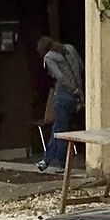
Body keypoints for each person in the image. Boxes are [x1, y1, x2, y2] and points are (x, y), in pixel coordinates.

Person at [35, 33, 83, 173]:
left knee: (60, 131)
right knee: (59, 128)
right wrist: (77, 88)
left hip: (63, 95)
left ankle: (62, 164)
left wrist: (71, 88)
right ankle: (46, 160)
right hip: (76, 96)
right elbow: (81, 67)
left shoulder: (48, 57)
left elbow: (59, 76)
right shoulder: (70, 48)